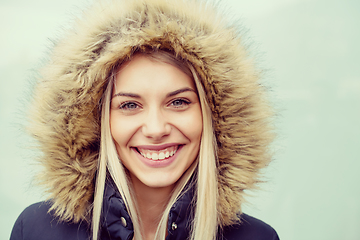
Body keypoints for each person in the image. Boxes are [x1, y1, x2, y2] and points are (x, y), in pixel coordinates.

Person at [10, 0, 279, 239]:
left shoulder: (257, 237)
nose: (155, 129)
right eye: (129, 105)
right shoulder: (37, 230)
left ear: (214, 119)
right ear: (95, 123)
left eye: (178, 102)